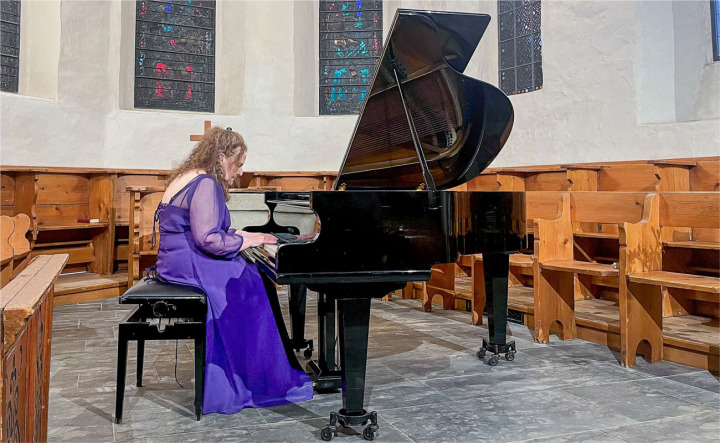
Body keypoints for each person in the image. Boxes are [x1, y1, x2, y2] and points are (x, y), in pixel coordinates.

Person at [152, 127, 313, 414]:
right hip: (190, 264)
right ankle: (257, 378)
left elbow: (200, 229)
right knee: (248, 281)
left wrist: (243, 236)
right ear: (222, 157)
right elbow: (208, 240)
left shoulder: (186, 176)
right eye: (238, 163)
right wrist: (251, 239)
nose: (239, 171)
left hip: (173, 261)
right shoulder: (205, 183)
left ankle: (265, 364)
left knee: (252, 273)